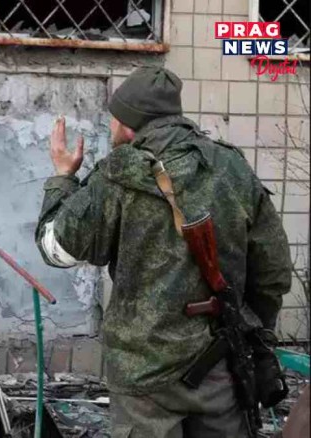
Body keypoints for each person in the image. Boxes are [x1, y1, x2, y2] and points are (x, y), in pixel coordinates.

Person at [35, 67, 292, 437]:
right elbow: (272, 273)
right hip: (220, 367)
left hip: (143, 378)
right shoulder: (232, 166)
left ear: (127, 125)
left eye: (114, 119)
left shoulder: (118, 174)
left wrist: (62, 178)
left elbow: (57, 249)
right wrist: (254, 330)